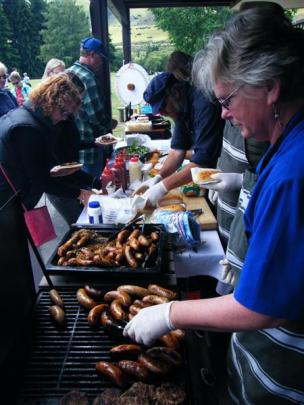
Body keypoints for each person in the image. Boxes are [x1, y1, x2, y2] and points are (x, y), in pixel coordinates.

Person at [124, 5, 304, 403]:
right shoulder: (286, 141)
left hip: (284, 381)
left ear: (270, 87)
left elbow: (262, 307)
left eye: (229, 99)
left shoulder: (295, 168)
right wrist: (245, 184)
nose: (223, 112)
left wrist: (171, 314)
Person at [0, 72, 97, 380]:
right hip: (6, 202)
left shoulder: (37, 121)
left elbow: (55, 168)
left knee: (18, 269)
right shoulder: (26, 128)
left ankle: (23, 316)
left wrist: (89, 181)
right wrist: (80, 191)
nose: (65, 118)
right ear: (52, 101)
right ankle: (19, 331)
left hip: (16, 198)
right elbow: (43, 177)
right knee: (11, 269)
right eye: (65, 112)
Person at [134, 72, 224, 206]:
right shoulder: (180, 107)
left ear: (175, 92)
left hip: (223, 172)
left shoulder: (204, 104)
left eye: (163, 105)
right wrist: (159, 177)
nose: (162, 113)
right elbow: (177, 151)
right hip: (207, 174)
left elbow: (202, 161)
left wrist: (163, 187)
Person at [68, 37, 117, 178]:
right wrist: (109, 124)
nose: (101, 63)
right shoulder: (88, 78)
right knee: (92, 187)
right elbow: (96, 117)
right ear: (92, 55)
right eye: (101, 58)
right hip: (90, 149)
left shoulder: (69, 71)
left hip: (74, 146)